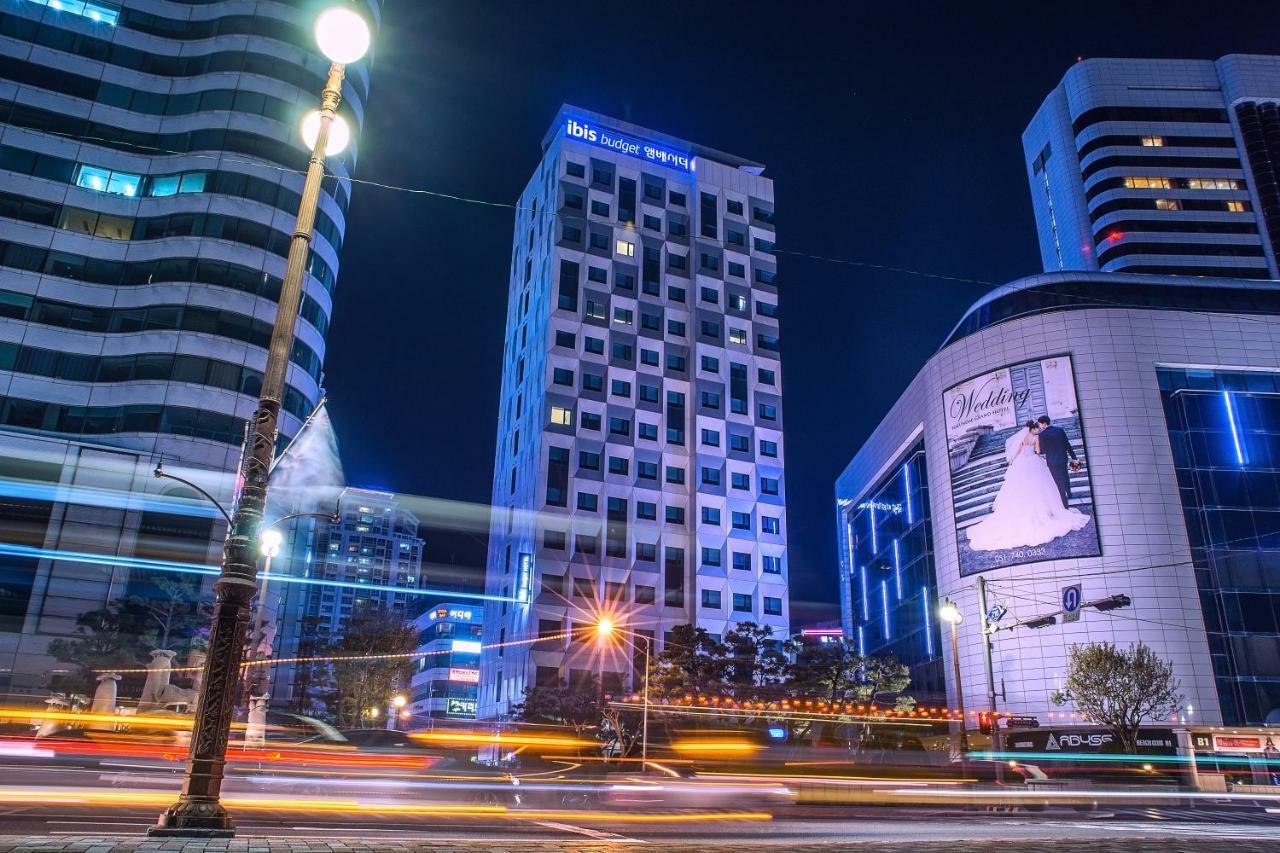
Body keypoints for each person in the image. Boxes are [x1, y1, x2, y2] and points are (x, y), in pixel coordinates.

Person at [967, 420, 1090, 552]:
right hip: (1034, 462)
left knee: (1021, 488)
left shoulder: (1023, 438)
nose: (1038, 430)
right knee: (1040, 487)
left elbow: (1017, 452)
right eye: (1036, 429)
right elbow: (1037, 451)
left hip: (1022, 463)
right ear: (1032, 429)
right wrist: (1035, 451)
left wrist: (1013, 462)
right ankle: (1046, 511)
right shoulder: (1036, 438)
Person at [1035, 414, 1081, 509]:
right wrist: (1074, 457)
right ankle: (1069, 493)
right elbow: (1067, 444)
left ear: (1044, 423)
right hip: (1063, 459)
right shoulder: (1060, 430)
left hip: (1052, 462)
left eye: (1040, 424)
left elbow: (1043, 450)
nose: (1040, 426)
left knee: (1058, 482)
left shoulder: (1042, 435)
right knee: (1065, 476)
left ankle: (1065, 504)